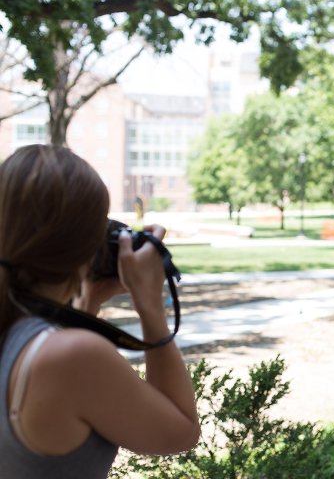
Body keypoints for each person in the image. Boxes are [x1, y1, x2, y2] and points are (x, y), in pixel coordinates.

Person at [0, 145, 199, 478]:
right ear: (86, 248)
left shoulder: (18, 335)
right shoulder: (72, 357)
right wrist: (149, 305)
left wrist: (88, 299)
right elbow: (181, 431)